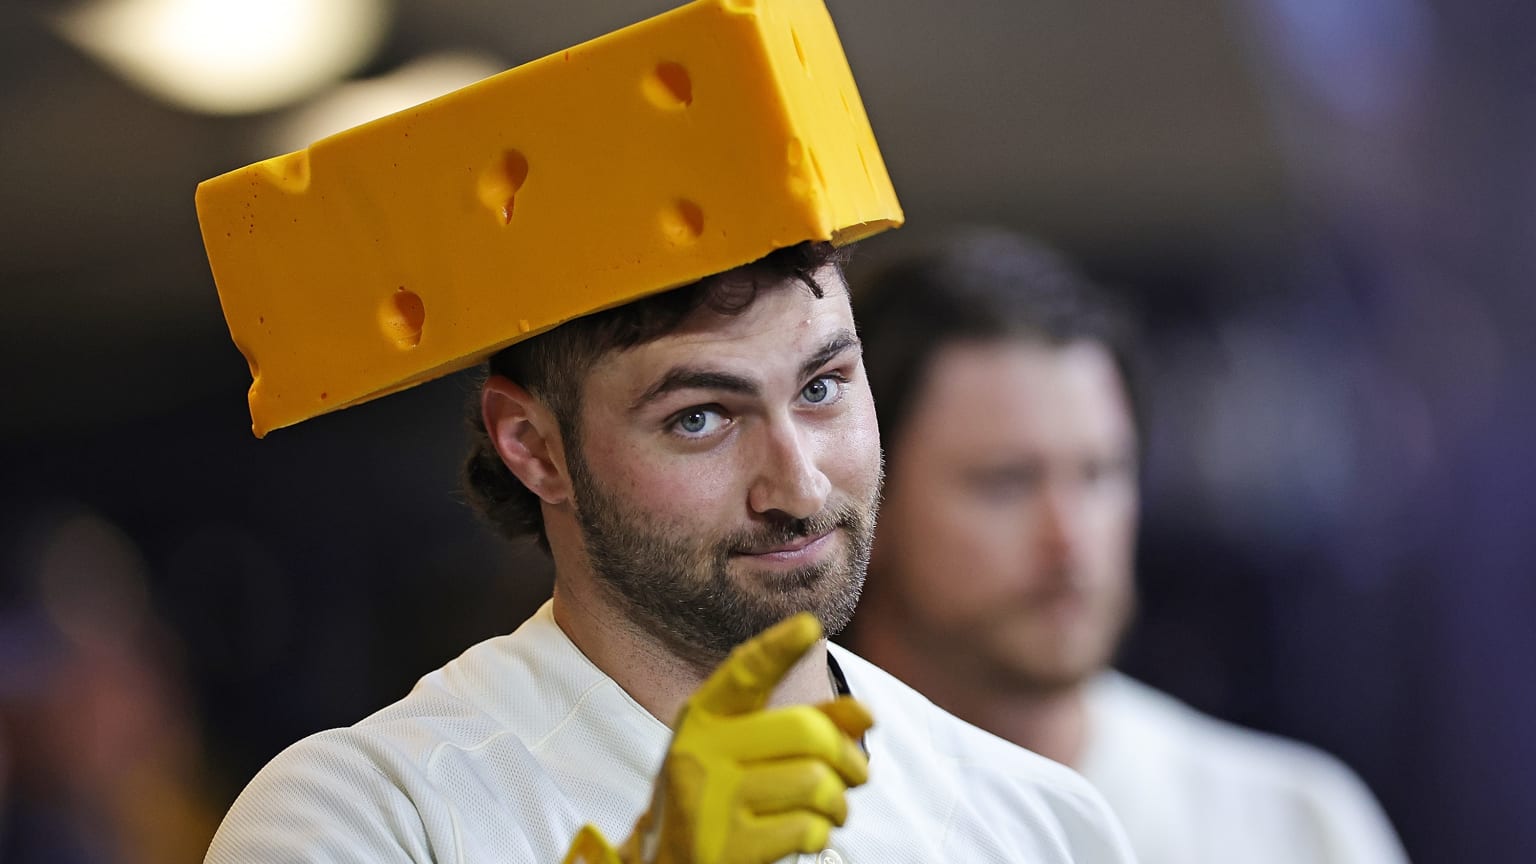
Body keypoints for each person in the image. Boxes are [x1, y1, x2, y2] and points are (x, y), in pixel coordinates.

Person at [203, 241, 1137, 862]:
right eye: (700, 417)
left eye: (823, 388)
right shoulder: (363, 819)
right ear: (533, 446)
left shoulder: (1038, 824)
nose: (802, 486)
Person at [845, 229, 1411, 864]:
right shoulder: (797, 827)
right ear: (866, 500)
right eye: (1006, 481)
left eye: (1098, 474)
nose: (1068, 537)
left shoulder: (1295, 828)